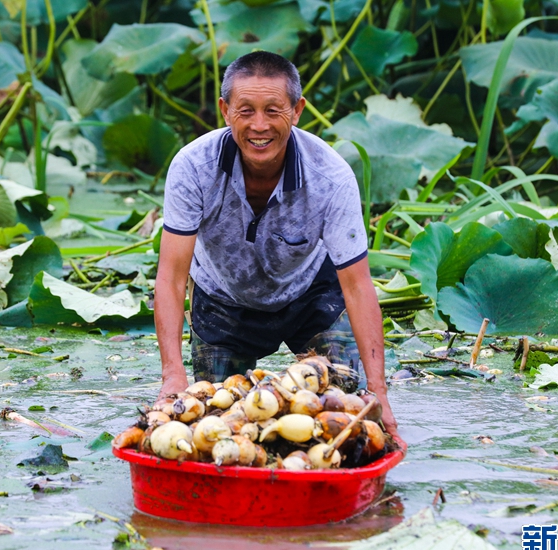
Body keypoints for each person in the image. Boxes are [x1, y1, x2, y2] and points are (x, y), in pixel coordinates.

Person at [154, 51, 397, 437]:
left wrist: (379, 392)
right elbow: (170, 277)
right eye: (245, 110)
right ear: (225, 110)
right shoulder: (192, 167)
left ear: (297, 110)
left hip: (309, 294)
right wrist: (172, 374)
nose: (259, 126)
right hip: (223, 299)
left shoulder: (331, 176)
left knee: (344, 410)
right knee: (216, 423)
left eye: (273, 110)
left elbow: (357, 284)